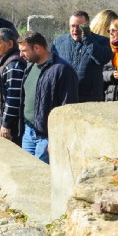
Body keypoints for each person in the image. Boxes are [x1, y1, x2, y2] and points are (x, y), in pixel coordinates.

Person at [19, 31, 78, 163]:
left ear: (37, 48)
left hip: (47, 136)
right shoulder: (30, 66)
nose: (21, 55)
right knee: (26, 171)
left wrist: (56, 139)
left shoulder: (62, 70)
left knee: (40, 174)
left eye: (24, 51)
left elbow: (68, 108)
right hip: (28, 131)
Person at [51, 10, 112, 102]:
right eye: (72, 26)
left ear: (87, 26)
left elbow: (102, 59)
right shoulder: (59, 42)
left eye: (79, 27)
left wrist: (87, 39)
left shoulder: (102, 41)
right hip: (64, 96)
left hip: (89, 98)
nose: (75, 30)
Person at [0, 28, 26, 145]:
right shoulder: (5, 62)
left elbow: (13, 98)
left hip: (11, 127)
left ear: (10, 44)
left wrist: (6, 124)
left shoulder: (13, 65)